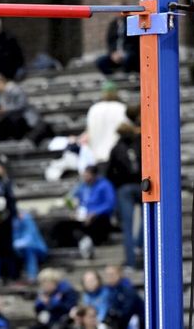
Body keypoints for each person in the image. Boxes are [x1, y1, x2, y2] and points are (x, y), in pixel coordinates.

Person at [105, 120, 141, 268]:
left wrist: (117, 184)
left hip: (124, 188)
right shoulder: (139, 145)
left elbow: (109, 172)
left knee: (128, 226)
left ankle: (131, 262)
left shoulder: (116, 148)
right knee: (150, 217)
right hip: (143, 186)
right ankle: (139, 244)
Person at [85, 81, 128, 164]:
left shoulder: (94, 109)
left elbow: (88, 132)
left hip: (97, 157)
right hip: (116, 157)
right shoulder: (121, 108)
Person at [0, 73, 40, 142]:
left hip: (25, 118)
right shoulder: (1, 93)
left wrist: (6, 109)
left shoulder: (14, 89)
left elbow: (21, 105)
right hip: (12, 119)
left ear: (0, 82)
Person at [102, 264, 142, 329]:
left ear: (120, 274)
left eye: (112, 274)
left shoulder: (128, 289)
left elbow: (126, 313)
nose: (109, 277)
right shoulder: (107, 290)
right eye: (107, 275)